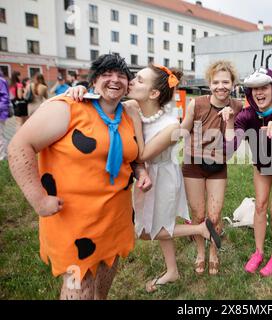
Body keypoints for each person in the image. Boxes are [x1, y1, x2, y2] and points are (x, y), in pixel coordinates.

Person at [7, 54, 152, 300]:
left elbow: (134, 157)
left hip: (115, 218)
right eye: (107, 74)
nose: (115, 80)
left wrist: (141, 171)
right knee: (80, 286)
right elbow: (19, 146)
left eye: (121, 76)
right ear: (93, 81)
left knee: (104, 279)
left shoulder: (128, 114)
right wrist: (39, 200)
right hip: (75, 221)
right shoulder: (68, 107)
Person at [66, 64, 222, 292]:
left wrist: (135, 120)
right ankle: (172, 271)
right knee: (157, 223)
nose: (131, 82)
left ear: (153, 93)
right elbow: (100, 98)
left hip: (163, 178)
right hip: (144, 175)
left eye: (139, 80)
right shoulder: (131, 106)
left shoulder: (170, 126)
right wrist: (77, 89)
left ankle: (200, 230)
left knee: (147, 231)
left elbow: (141, 154)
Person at [223, 67, 272, 277]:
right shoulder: (246, 115)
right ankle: (258, 252)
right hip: (263, 164)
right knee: (260, 205)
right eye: (255, 88)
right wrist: (230, 121)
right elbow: (229, 148)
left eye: (264, 87)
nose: (259, 92)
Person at [181, 60, 243, 275]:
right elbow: (182, 131)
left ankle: (214, 252)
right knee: (198, 216)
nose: (221, 86)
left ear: (233, 84)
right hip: (193, 165)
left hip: (218, 166)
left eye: (225, 81)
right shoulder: (196, 104)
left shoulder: (238, 106)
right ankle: (200, 251)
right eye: (216, 82)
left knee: (214, 216)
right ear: (209, 84)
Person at [0, 70, 10, 161]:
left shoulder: (1, 81)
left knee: (0, 135)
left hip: (0, 113)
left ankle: (2, 157)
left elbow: (5, 97)